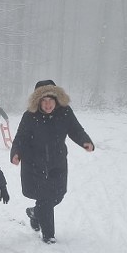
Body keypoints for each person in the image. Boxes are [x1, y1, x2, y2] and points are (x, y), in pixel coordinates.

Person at [10, 80, 94, 244]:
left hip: (57, 162)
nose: (48, 105)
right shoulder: (30, 116)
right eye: (44, 101)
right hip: (34, 163)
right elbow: (21, 137)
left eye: (51, 100)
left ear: (57, 100)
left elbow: (75, 130)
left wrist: (85, 141)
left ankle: (35, 213)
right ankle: (49, 236)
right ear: (38, 101)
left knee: (58, 195)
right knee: (46, 198)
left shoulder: (65, 113)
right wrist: (16, 153)